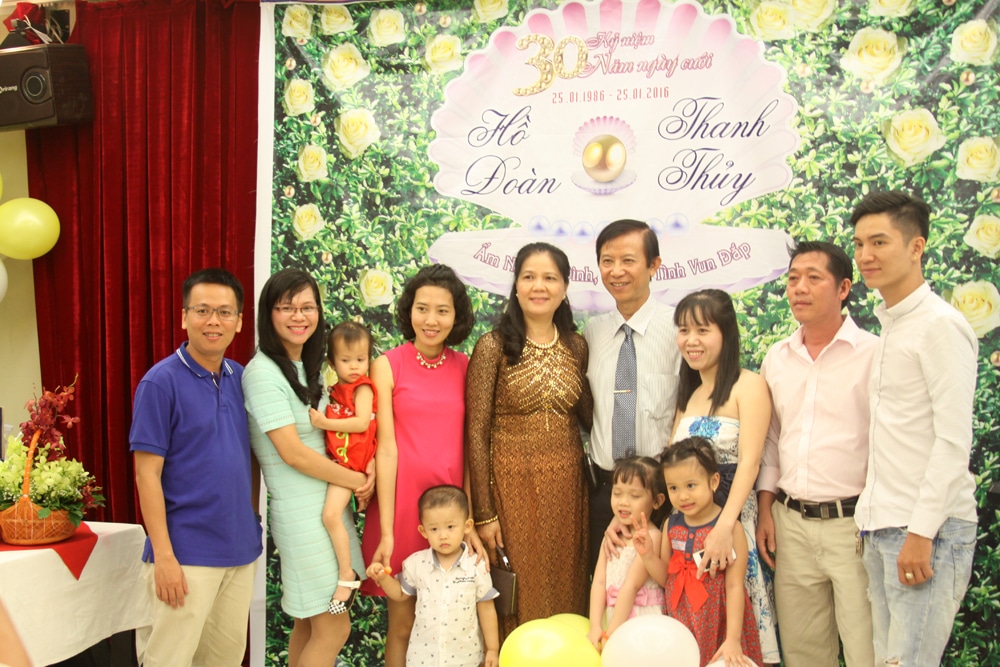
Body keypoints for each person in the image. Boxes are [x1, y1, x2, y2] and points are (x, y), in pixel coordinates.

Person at [850, 191, 978, 666]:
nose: (865, 255)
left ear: (916, 247)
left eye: (879, 242)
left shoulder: (939, 325)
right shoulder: (892, 325)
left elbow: (953, 441)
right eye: (859, 244)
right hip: (882, 527)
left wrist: (922, 533)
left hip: (926, 531)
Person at [129, 268, 263, 667]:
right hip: (185, 556)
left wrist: (252, 520)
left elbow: (251, 456)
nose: (213, 321)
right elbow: (146, 475)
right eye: (202, 310)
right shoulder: (160, 383)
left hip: (239, 551)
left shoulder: (242, 378)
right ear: (185, 316)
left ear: (239, 321)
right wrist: (165, 558)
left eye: (224, 312)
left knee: (224, 659)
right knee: (168, 660)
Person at [755, 241, 877, 667]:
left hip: (854, 528)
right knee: (804, 653)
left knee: (867, 651)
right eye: (793, 279)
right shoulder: (777, 357)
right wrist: (765, 510)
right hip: (790, 526)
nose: (799, 288)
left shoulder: (873, 355)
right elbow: (771, 441)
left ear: (843, 288)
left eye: (813, 278)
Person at [243, 269, 373, 666]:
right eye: (287, 308)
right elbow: (293, 454)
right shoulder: (262, 372)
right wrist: (356, 479)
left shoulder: (304, 367)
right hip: (305, 521)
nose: (298, 316)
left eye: (307, 307)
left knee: (310, 623)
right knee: (334, 628)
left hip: (326, 509)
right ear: (268, 313)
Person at [466, 242, 593, 636]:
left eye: (550, 278)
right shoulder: (493, 347)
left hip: (568, 491)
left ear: (565, 287)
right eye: (529, 277)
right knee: (520, 594)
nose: (539, 286)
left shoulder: (576, 346)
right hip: (512, 491)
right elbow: (476, 433)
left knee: (568, 589)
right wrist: (484, 514)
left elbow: (586, 416)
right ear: (516, 286)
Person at [360, 264, 481, 667]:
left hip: (451, 514)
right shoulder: (387, 364)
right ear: (408, 310)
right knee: (403, 625)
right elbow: (386, 449)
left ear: (456, 316)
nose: (431, 320)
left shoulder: (466, 367)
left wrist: (469, 518)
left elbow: (471, 448)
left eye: (442, 311)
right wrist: (389, 532)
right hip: (400, 510)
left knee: (451, 624)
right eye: (422, 308)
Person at [669, 288, 778, 663]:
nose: (691, 340)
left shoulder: (749, 385)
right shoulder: (689, 393)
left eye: (703, 330)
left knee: (737, 640)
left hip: (731, 527)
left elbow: (750, 462)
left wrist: (723, 527)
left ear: (726, 333)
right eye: (684, 330)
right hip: (688, 532)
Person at [584, 219, 681, 569]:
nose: (616, 271)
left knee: (659, 591)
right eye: (607, 261)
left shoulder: (678, 329)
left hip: (661, 495)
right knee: (606, 590)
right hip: (604, 493)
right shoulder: (592, 333)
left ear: (654, 265)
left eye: (628, 260)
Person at [635, 437, 763, 667]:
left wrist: (733, 638)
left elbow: (735, 585)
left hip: (719, 622)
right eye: (674, 488)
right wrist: (648, 556)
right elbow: (667, 579)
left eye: (691, 485)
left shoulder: (729, 529)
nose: (682, 496)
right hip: (681, 620)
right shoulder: (670, 525)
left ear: (713, 481)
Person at [366, 485, 500, 667]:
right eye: (434, 529)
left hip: (465, 659)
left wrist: (492, 649)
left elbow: (486, 609)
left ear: (467, 526)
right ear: (423, 531)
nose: (443, 535)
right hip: (423, 658)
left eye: (450, 527)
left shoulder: (476, 565)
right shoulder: (416, 563)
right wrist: (383, 577)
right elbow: (400, 594)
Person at [306, 321, 378, 614]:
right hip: (342, 461)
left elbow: (361, 423)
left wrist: (324, 423)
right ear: (332, 363)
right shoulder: (336, 390)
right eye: (346, 360)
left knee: (330, 515)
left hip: (351, 464)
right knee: (331, 517)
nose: (355, 366)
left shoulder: (362, 388)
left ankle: (347, 573)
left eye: (361, 359)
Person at [587, 456, 667, 652]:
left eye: (634, 496)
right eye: (617, 493)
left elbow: (631, 586)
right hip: (612, 617)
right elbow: (599, 582)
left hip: (640, 619)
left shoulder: (652, 537)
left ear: (657, 501)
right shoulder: (611, 536)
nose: (623, 502)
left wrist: (612, 633)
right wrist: (595, 625)